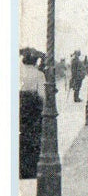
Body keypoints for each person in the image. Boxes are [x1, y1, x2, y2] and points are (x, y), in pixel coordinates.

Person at [19, 48, 47, 179]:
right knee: (32, 138)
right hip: (32, 109)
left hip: (18, 107)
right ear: (35, 61)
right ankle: (30, 170)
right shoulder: (38, 74)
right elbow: (42, 96)